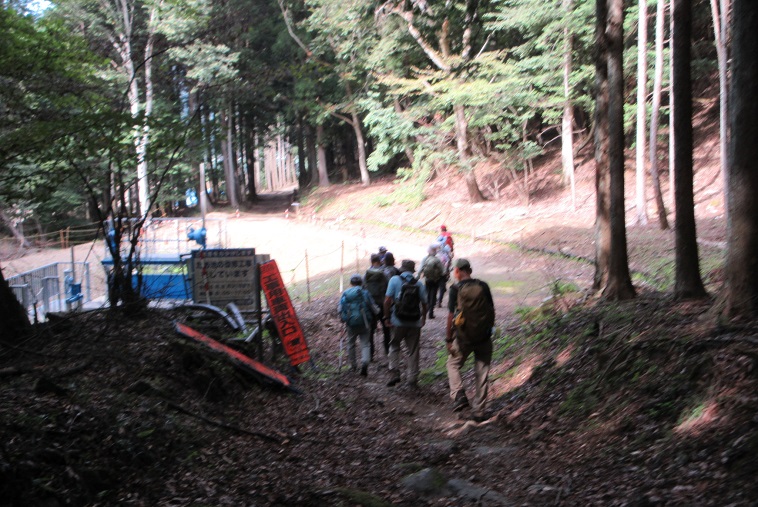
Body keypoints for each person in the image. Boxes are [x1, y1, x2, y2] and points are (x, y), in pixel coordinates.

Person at [445, 258, 495, 421]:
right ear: (470, 270)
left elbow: (451, 315)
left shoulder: (455, 289)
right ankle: (479, 411)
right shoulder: (483, 286)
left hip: (463, 337)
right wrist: (488, 329)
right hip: (483, 337)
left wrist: (448, 339)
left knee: (452, 364)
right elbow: (491, 309)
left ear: (457, 271)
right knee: (482, 373)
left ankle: (458, 394)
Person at [383, 259, 428, 388]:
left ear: (402, 270)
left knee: (394, 345)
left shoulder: (394, 280)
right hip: (414, 322)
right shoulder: (419, 284)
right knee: (413, 350)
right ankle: (412, 379)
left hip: (397, 321)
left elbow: (387, 300)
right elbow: (425, 303)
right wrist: (423, 318)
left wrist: (386, 317)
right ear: (412, 271)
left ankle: (394, 372)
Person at [339, 274, 379, 376]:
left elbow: (340, 308)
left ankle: (353, 365)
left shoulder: (346, 293)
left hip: (351, 322)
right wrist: (377, 313)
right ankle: (365, 362)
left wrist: (342, 319)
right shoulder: (365, 293)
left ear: (351, 283)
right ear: (361, 282)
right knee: (365, 344)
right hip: (365, 322)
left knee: (351, 343)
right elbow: (373, 307)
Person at [364, 253, 389, 361]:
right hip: (382, 304)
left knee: (370, 330)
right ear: (379, 262)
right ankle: (387, 351)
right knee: (386, 328)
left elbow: (363, 289)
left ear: (371, 262)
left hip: (370, 306)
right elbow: (388, 288)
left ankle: (370, 354)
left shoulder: (366, 275)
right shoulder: (384, 274)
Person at [419, 244, 445, 319]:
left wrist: (418, 277)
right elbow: (442, 271)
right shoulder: (437, 260)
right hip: (435, 280)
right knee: (433, 296)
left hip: (427, 279)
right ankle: (431, 313)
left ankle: (423, 312)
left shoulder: (425, 259)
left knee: (427, 295)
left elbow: (420, 269)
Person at [436, 243, 452, 308]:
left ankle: (434, 300)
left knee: (435, 288)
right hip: (443, 274)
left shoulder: (434, 255)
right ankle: (439, 301)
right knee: (442, 288)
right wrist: (447, 273)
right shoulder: (445, 255)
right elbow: (448, 265)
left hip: (435, 274)